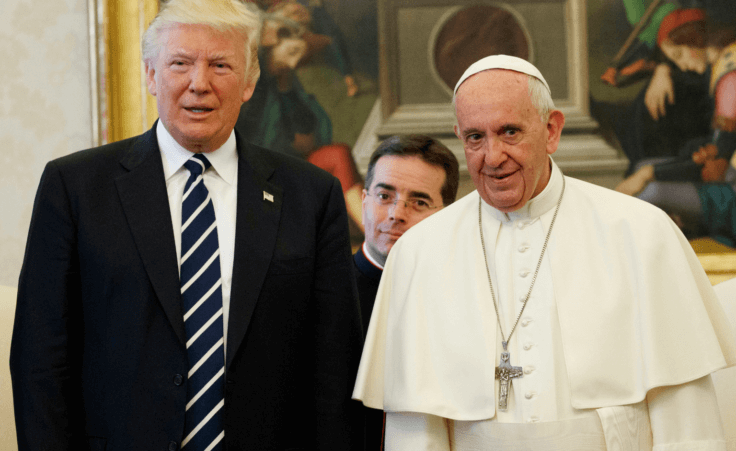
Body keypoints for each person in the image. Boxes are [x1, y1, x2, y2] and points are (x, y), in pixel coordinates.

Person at [9, 0, 364, 450]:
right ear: (152, 76)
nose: (200, 84)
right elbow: (39, 358)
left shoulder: (311, 195)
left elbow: (335, 364)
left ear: (250, 82)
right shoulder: (75, 187)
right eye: (180, 64)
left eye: (220, 65)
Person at [353, 54, 736, 449]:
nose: (493, 156)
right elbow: (415, 431)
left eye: (510, 132)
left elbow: (688, 423)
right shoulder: (419, 252)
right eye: (474, 137)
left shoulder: (641, 232)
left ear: (551, 130)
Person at [354, 135, 459, 449]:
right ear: (364, 200)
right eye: (384, 195)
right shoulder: (317, 291)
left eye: (419, 202)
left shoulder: (464, 300)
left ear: (447, 216)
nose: (396, 214)